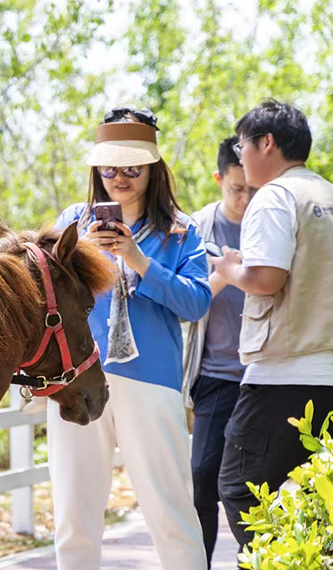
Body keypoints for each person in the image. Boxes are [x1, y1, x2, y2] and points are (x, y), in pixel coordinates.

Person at [48, 107, 210, 570]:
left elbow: (196, 303)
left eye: (132, 168)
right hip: (75, 378)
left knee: (171, 510)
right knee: (74, 514)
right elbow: (46, 291)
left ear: (153, 168)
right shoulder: (72, 222)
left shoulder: (179, 231)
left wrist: (139, 261)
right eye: (109, 168)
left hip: (151, 381)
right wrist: (80, 251)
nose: (119, 178)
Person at [210, 100, 333, 550]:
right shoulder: (326, 193)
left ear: (267, 142)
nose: (239, 156)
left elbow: (265, 279)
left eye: (241, 145)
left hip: (284, 373)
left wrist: (229, 270)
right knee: (317, 498)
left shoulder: (275, 196)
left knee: (240, 488)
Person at [182, 136, 256, 568]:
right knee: (201, 477)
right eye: (236, 189)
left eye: (252, 189)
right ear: (218, 180)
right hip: (214, 374)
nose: (245, 198)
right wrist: (225, 275)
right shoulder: (197, 229)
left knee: (252, 486)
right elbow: (186, 300)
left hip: (262, 375)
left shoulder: (271, 221)